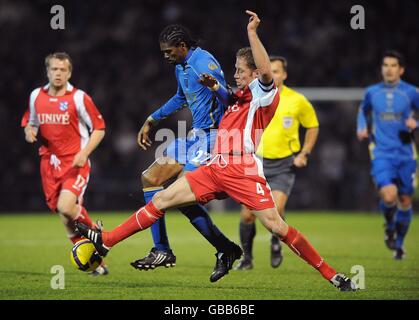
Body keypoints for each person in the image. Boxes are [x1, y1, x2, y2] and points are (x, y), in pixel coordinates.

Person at [76, 11, 357, 291]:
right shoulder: (236, 96)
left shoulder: (264, 95)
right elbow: (224, 95)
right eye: (234, 69)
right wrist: (216, 88)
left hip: (242, 169)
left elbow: (267, 72)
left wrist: (252, 34)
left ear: (256, 74)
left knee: (277, 227)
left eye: (240, 71)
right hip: (215, 167)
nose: (234, 74)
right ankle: (108, 240)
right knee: (161, 199)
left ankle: (333, 275)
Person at [132, 24, 241, 277]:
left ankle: (225, 249)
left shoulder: (204, 61)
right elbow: (181, 97)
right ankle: (162, 250)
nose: (166, 56)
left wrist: (216, 87)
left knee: (180, 195)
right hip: (194, 137)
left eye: (169, 52)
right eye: (163, 52)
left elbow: (229, 101)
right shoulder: (181, 67)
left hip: (213, 137)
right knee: (150, 178)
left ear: (182, 46)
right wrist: (152, 118)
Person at [22, 52, 108, 275]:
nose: (58, 73)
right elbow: (30, 122)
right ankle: (96, 263)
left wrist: (85, 152)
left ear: (69, 72)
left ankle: (98, 235)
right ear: (47, 71)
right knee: (64, 215)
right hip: (48, 164)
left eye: (63, 70)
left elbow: (99, 128)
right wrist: (29, 131)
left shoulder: (79, 98)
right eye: (54, 69)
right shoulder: (35, 96)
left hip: (75, 163)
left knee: (65, 207)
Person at [236, 56, 319, 270]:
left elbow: (312, 126)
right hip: (256, 162)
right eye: (269, 70)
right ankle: (247, 258)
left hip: (283, 164)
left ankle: (276, 242)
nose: (272, 74)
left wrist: (305, 153)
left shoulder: (297, 100)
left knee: (277, 207)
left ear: (284, 74)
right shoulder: (254, 96)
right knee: (247, 216)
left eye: (277, 71)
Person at [357, 50, 419, 260]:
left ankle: (399, 243)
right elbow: (362, 110)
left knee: (404, 199)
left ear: (401, 70)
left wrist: (415, 124)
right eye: (385, 65)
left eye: (393, 65)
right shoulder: (372, 92)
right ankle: (390, 226)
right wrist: (362, 126)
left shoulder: (411, 92)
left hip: (406, 155)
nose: (389, 69)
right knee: (389, 194)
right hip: (381, 152)